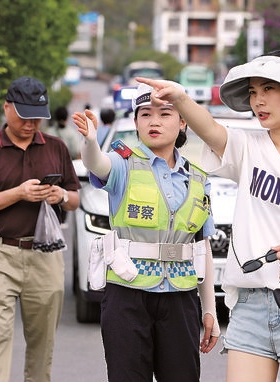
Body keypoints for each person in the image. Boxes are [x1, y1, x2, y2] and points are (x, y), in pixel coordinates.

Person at [136, 49, 280, 382]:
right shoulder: (249, 148)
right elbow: (211, 130)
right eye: (253, 92)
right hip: (250, 307)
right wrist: (181, 98)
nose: (259, 101)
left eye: (268, 89)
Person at [71, 81, 220, 381]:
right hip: (127, 296)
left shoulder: (198, 178)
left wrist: (211, 310)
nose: (154, 121)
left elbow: (202, 247)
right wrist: (90, 140)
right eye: (145, 114)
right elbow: (97, 164)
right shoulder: (122, 164)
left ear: (182, 122)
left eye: (165, 114)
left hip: (181, 297)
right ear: (136, 122)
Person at [0, 76, 81, 382]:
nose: (31, 124)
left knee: (43, 342)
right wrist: (18, 193)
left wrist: (62, 196)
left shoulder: (56, 147)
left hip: (45, 255)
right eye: (24, 115)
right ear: (7, 108)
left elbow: (75, 198)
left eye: (37, 118)